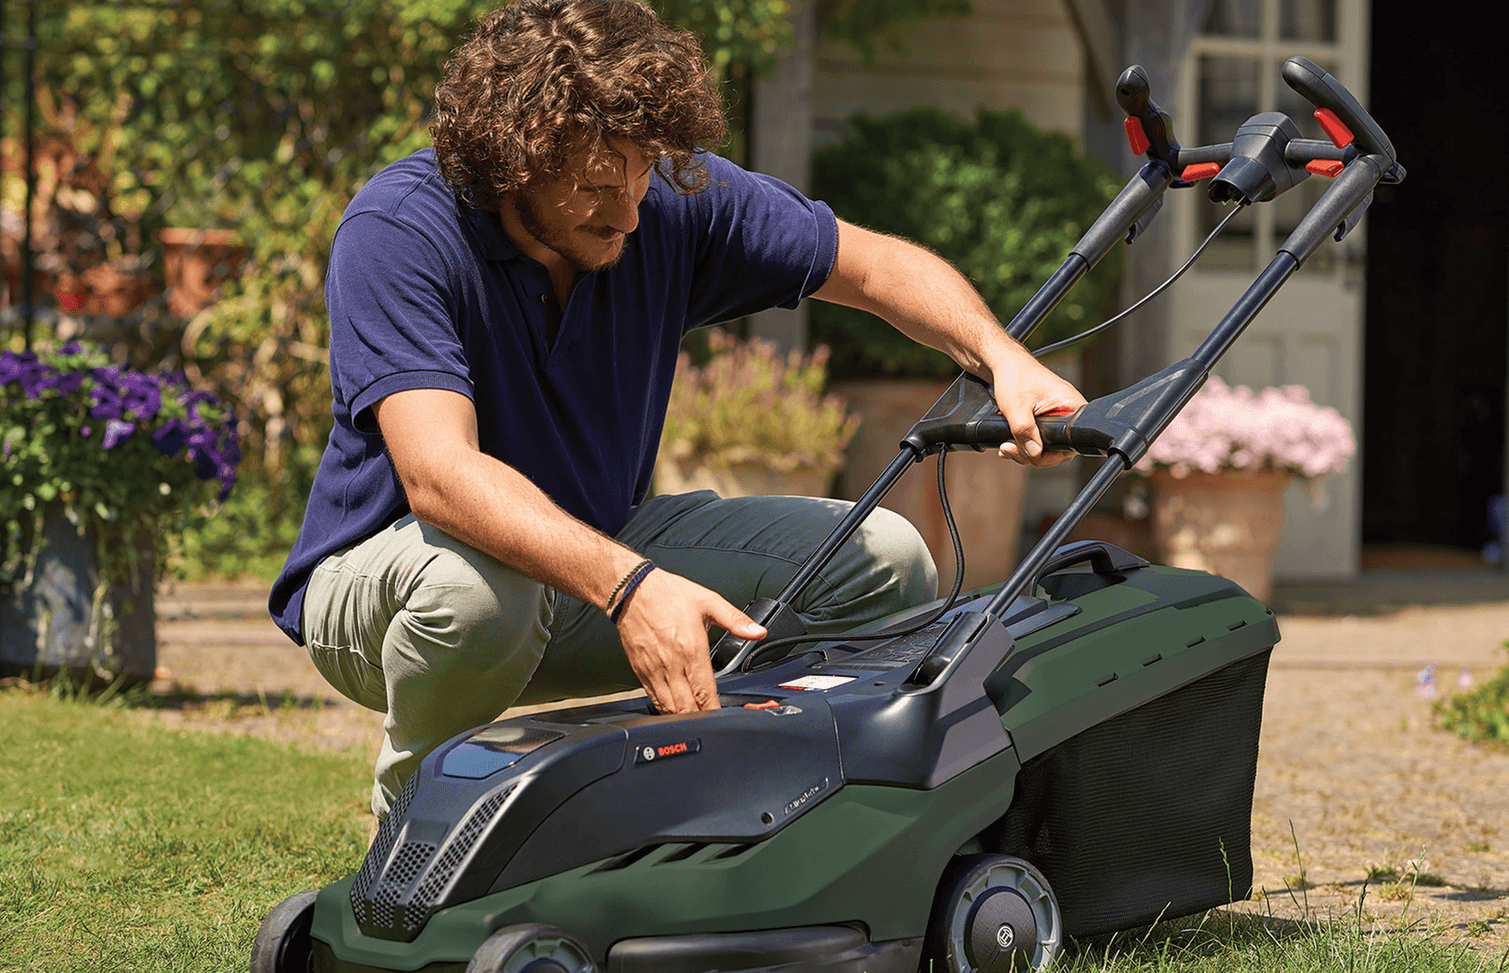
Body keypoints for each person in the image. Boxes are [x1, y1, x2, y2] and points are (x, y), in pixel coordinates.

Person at [269, 0, 1086, 818]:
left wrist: (1000, 359)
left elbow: (870, 268)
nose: (628, 210)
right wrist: (632, 588)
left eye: (642, 171)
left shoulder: (660, 197)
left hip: (591, 565)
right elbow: (439, 474)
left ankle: (767, 820)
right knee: (484, 593)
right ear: (512, 156)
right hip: (394, 584)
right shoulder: (403, 229)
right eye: (595, 184)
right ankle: (413, 836)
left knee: (883, 558)